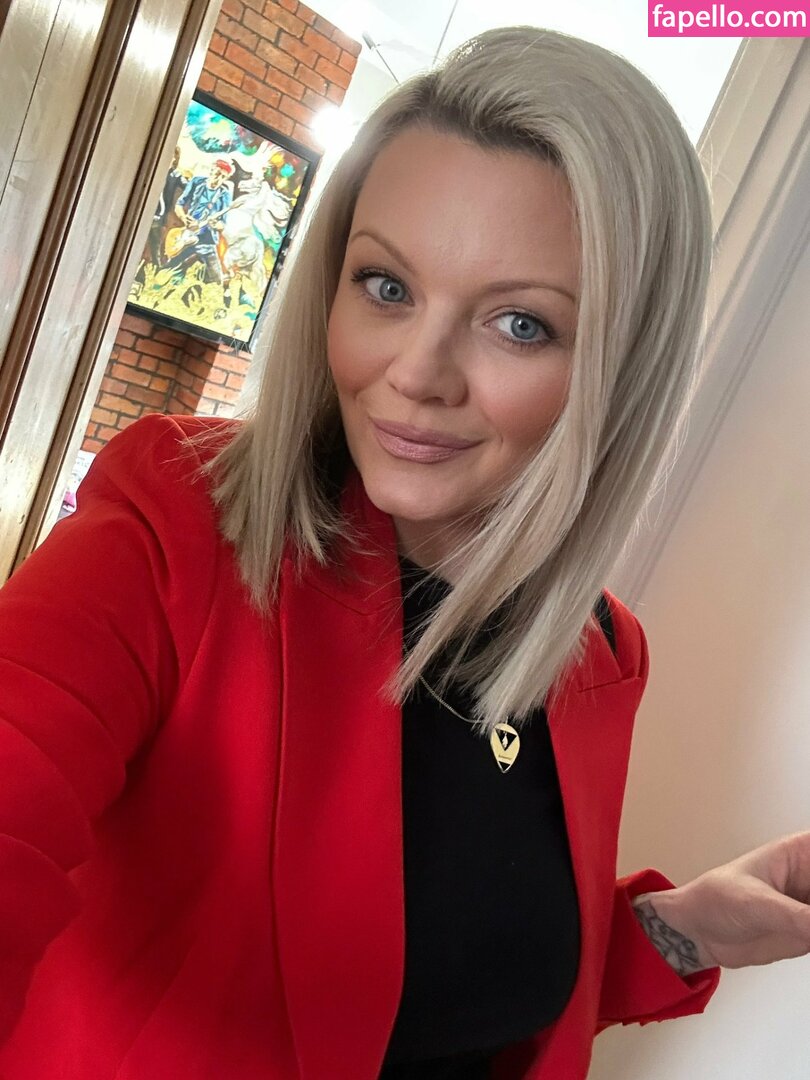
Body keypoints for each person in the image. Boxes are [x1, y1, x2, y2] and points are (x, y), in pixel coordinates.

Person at [1, 26, 809, 1080]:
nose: (418, 373)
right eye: (387, 286)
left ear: (622, 372)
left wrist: (680, 931)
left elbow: (454, 992)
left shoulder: (598, 651)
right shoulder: (178, 524)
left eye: (520, 324)